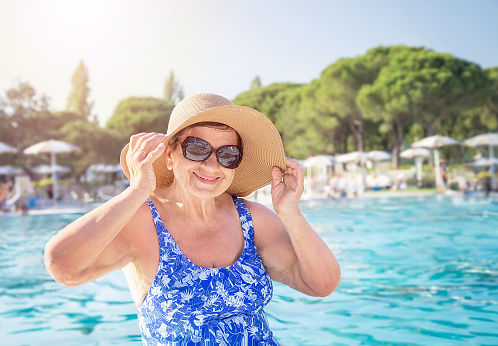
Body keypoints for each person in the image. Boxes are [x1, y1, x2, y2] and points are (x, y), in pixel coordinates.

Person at [44, 93, 341, 345]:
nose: (212, 164)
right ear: (170, 156)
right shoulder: (142, 222)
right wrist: (137, 190)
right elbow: (62, 266)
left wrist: (290, 212)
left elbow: (321, 285)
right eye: (197, 149)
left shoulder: (253, 220)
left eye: (227, 154)